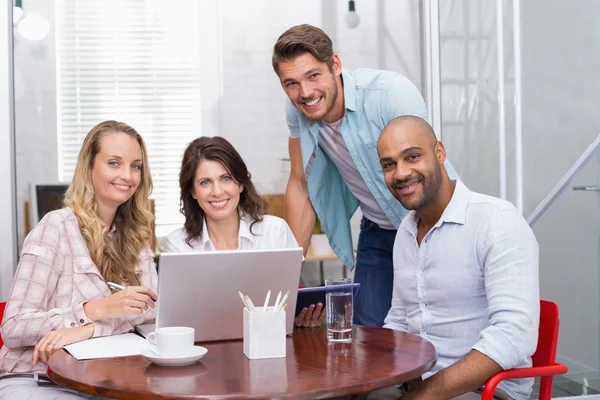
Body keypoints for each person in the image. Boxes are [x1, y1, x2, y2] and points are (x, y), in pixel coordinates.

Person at [272, 24, 458, 327]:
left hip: (435, 223)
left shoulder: (389, 94)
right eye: (291, 83)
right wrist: (288, 273)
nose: (305, 93)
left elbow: (425, 172)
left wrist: (431, 242)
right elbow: (300, 185)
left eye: (314, 75)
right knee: (369, 336)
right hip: (378, 228)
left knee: (438, 327)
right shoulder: (298, 110)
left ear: (335, 65)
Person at [378, 116, 539, 400]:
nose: (401, 173)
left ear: (439, 152)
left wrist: (424, 394)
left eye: (412, 156)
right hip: (414, 380)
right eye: (389, 164)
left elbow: (514, 335)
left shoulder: (496, 221)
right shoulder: (406, 230)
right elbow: (400, 320)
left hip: (486, 390)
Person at [0, 120, 158, 399]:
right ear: (89, 167)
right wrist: (94, 310)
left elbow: (150, 311)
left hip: (104, 381)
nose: (128, 175)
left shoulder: (137, 236)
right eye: (114, 163)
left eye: (136, 166)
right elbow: (14, 327)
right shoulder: (56, 227)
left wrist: (87, 330)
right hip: (36, 379)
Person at [162, 136, 325, 328]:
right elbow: (179, 314)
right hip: (204, 346)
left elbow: (287, 300)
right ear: (193, 192)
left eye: (226, 178)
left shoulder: (275, 231)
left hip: (268, 340)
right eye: (205, 182)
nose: (217, 191)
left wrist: (299, 317)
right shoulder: (178, 244)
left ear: (240, 183)